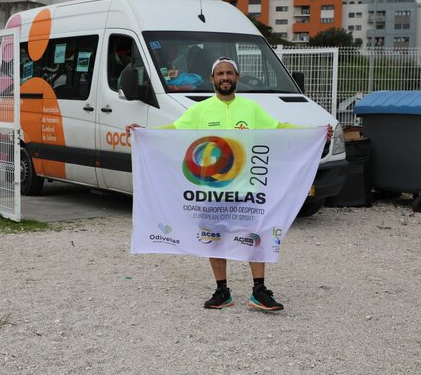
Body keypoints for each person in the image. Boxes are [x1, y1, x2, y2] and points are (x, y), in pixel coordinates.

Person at [126, 57, 333, 311]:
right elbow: (172, 130)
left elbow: (279, 129)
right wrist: (142, 132)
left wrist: (314, 132)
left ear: (237, 78)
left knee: (255, 237)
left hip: (246, 191)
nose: (225, 77)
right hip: (211, 192)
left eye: (230, 73)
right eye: (220, 73)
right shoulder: (200, 110)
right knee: (214, 239)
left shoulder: (251, 109)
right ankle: (222, 291)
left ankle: (259, 291)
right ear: (212, 79)